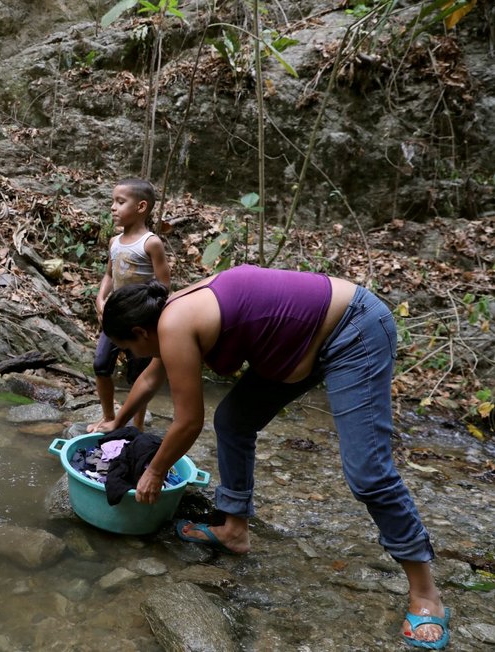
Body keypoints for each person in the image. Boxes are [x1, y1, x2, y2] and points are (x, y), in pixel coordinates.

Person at [89, 265, 449, 649]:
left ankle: (426, 593)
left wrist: (156, 470)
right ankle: (234, 528)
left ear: (141, 333)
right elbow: (149, 379)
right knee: (233, 420)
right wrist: (116, 422)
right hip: (300, 342)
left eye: (127, 348)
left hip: (353, 329)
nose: (129, 356)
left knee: (368, 473)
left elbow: (189, 421)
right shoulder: (166, 314)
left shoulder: (173, 325)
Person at [90, 178, 172, 432]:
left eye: (120, 202)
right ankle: (107, 417)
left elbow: (163, 285)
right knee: (101, 365)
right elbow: (109, 275)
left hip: (140, 321)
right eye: (112, 201)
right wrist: (101, 299)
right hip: (114, 318)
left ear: (141, 207)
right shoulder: (115, 242)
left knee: (139, 375)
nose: (113, 207)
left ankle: (137, 426)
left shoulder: (150, 243)